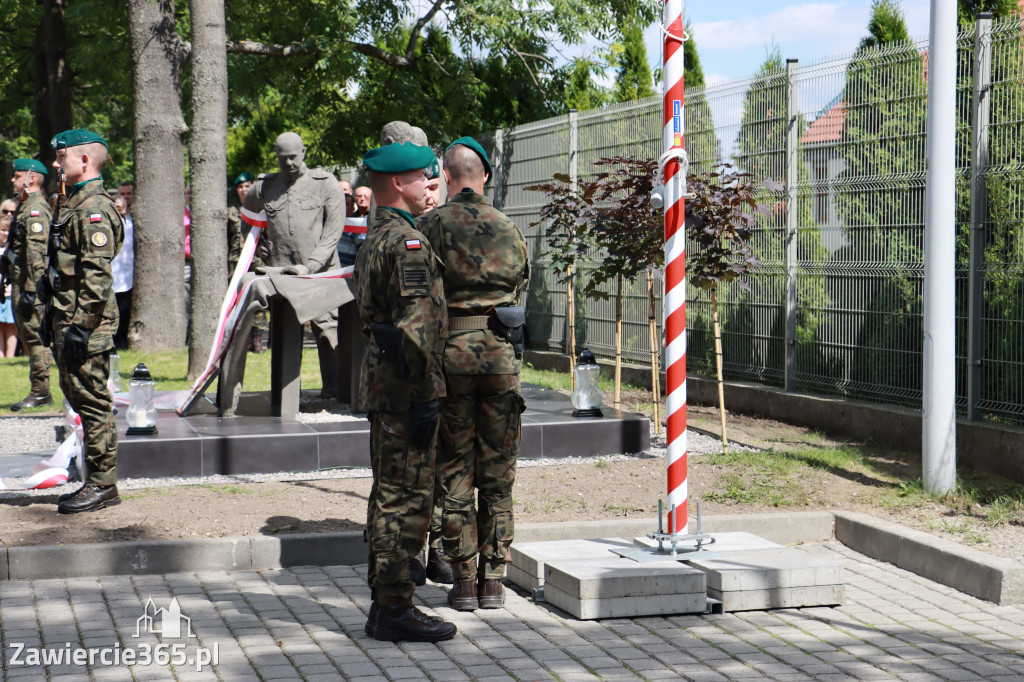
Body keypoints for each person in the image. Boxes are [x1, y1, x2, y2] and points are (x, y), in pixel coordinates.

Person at [417, 137, 529, 611]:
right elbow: (522, 285)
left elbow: (419, 294)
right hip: (501, 356)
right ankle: (495, 580)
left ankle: (463, 580)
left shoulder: (430, 225)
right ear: (484, 177)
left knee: (456, 469)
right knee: (498, 470)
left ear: (445, 176)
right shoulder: (510, 227)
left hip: (451, 357)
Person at [354, 141, 455, 643]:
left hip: (385, 387)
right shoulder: (407, 244)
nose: (429, 187)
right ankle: (394, 608)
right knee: (406, 499)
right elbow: (416, 329)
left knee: (388, 493)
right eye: (423, 178)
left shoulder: (377, 236)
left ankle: (384, 604)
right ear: (397, 183)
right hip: (406, 390)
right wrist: (425, 396)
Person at [43, 129, 124, 514]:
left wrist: (81, 324)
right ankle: (95, 479)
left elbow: (97, 275)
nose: (56, 165)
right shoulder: (72, 203)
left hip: (86, 323)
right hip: (68, 318)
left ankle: (103, 485)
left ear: (85, 160)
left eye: (62, 158)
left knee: (92, 402)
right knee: (78, 396)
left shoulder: (95, 209)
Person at [244, 132, 345, 397]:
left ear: (304, 152)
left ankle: (334, 393)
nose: (288, 163)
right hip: (283, 275)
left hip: (321, 276)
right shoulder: (265, 186)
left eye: (293, 157)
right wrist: (256, 247)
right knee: (285, 335)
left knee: (326, 331)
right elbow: (246, 214)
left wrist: (310, 266)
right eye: (282, 158)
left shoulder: (326, 184)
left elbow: (333, 233)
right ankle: (285, 394)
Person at [5, 159, 54, 409]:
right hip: (21, 283)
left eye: (17, 176)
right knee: (29, 338)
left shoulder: (35, 209)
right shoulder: (26, 206)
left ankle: (41, 391)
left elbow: (37, 254)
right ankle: (39, 389)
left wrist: (32, 290)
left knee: (35, 339)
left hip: (30, 287)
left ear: (31, 179)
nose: (13, 180)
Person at [111, 194, 134, 350]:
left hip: (127, 275)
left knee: (124, 311)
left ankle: (123, 343)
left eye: (120, 207)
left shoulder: (131, 225)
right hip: (111, 274)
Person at [0, 215, 17, 357]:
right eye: (2, 230)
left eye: (8, 231)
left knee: (11, 326)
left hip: (10, 293)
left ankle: (10, 356)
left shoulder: (13, 250)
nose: (5, 234)